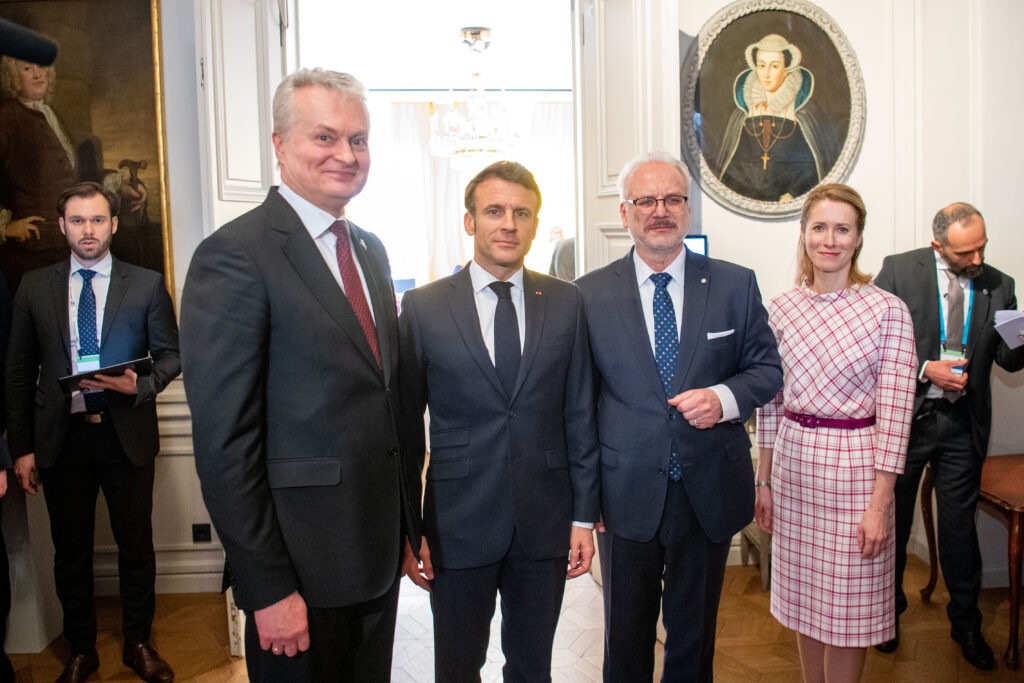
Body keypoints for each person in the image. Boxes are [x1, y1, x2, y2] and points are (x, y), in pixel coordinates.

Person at [179, 68, 422, 682]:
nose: (346, 154)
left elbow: (382, 398)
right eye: (325, 138)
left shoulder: (369, 247)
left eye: (359, 140)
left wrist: (406, 530)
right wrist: (266, 587)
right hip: (300, 570)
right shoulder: (234, 255)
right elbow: (225, 444)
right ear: (279, 145)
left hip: (376, 556)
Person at [575, 151, 782, 682]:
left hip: (707, 490)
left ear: (688, 210)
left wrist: (723, 398)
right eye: (645, 200)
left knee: (694, 638)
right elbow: (578, 405)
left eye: (671, 199)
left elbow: (766, 372)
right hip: (624, 497)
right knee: (625, 638)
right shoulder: (587, 295)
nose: (659, 210)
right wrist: (583, 501)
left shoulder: (736, 284)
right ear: (625, 213)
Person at [399, 161, 599, 682]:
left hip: (546, 521)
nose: (508, 223)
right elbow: (402, 425)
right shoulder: (423, 308)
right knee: (458, 667)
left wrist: (583, 518)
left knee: (533, 667)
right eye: (494, 211)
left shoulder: (566, 301)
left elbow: (580, 414)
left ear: (535, 224)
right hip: (457, 524)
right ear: (470, 222)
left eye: (521, 212)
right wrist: (410, 527)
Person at [6, 181, 180, 683]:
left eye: (98, 220)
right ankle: (82, 649)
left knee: (136, 546)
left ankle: (139, 644)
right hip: (63, 438)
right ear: (62, 225)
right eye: (78, 221)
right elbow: (18, 372)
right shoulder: (35, 286)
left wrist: (139, 383)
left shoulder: (146, 284)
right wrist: (22, 449)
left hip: (126, 433)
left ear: (114, 225)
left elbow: (172, 355)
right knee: (71, 551)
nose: (88, 230)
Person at [754, 184, 917, 682]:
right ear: (803, 234)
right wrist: (763, 481)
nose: (830, 239)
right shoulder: (780, 309)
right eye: (819, 227)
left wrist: (879, 504)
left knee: (848, 614)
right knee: (805, 602)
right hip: (794, 468)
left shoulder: (888, 309)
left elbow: (896, 411)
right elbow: (770, 402)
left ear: (858, 237)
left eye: (842, 229)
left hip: (857, 475)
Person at [873, 202, 1024, 669]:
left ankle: (967, 624)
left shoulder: (1000, 284)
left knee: (960, 529)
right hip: (907, 420)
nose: (977, 259)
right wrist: (924, 368)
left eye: (982, 246)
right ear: (938, 245)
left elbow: (1011, 361)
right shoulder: (899, 272)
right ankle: (886, 615)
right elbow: (872, 343)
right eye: (966, 252)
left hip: (962, 426)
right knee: (892, 524)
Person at [712, 34, 838, 203]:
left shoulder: (804, 112)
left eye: (775, 66)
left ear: (786, 71)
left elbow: (814, 166)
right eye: (762, 66)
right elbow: (731, 167)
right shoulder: (742, 113)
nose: (767, 74)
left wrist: (794, 193)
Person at [0, 56, 77, 290]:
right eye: (27, 68)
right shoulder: (7, 118)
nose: (37, 74)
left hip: (65, 248)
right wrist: (5, 227)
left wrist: (119, 184)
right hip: (29, 256)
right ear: (13, 77)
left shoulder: (52, 113)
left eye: (41, 66)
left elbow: (73, 177)